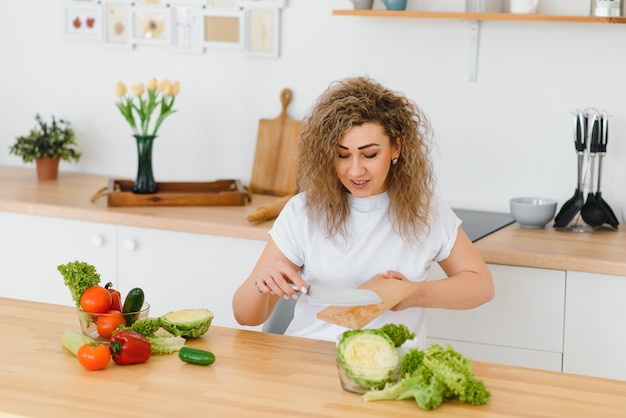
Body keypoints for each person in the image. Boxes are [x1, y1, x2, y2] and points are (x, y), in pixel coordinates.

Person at [232, 77, 494, 347]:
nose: (355, 170)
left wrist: (412, 294)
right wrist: (262, 285)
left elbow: (481, 286)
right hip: (309, 363)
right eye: (343, 155)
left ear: (396, 148)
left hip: (392, 367)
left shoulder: (426, 210)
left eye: (369, 155)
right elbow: (245, 316)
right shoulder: (304, 211)